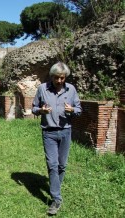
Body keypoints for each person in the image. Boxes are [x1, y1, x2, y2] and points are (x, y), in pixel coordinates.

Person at [32, 62, 82, 215]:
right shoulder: (43, 89)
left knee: (62, 166)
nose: (59, 81)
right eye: (56, 78)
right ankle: (56, 199)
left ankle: (55, 188)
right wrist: (41, 110)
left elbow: (79, 110)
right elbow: (33, 108)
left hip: (66, 132)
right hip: (49, 133)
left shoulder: (71, 89)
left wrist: (72, 110)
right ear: (51, 76)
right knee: (52, 165)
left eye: (62, 78)